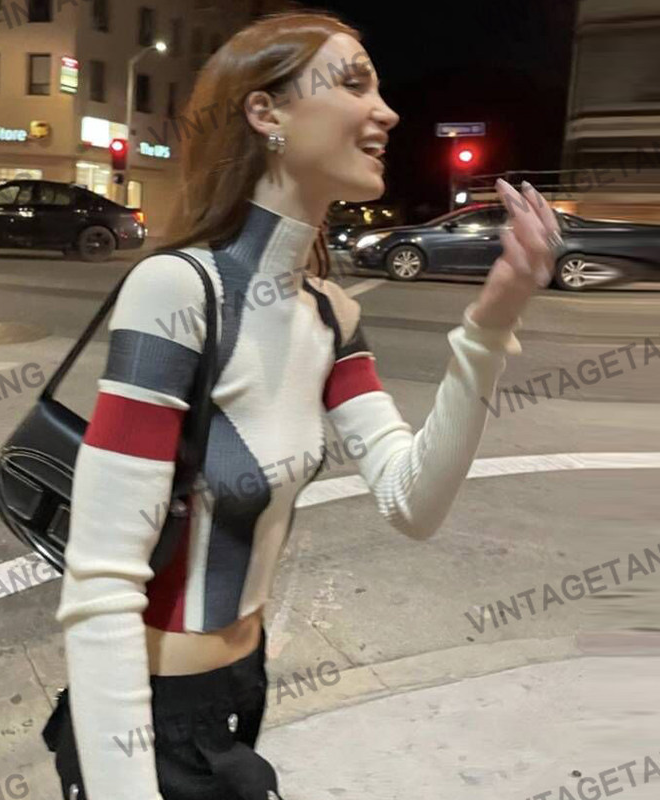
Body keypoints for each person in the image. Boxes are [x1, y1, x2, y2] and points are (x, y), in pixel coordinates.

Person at [51, 10, 560, 800]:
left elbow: (412, 501)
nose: (387, 112)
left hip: (239, 695)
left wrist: (490, 328)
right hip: (151, 721)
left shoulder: (329, 314)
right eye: (355, 84)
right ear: (266, 113)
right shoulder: (176, 291)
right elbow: (100, 587)